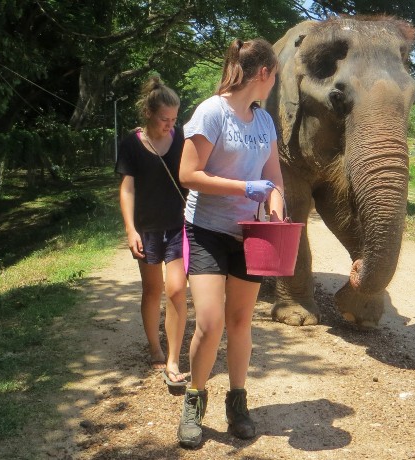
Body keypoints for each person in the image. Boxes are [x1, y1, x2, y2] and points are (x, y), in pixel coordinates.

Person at [175, 38, 284, 448]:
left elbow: (274, 179)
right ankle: (194, 400)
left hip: (250, 235)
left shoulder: (264, 122)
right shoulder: (212, 112)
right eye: (274, 76)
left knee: (241, 322)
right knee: (209, 320)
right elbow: (188, 174)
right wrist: (245, 186)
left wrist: (276, 206)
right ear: (263, 74)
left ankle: (237, 401)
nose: (273, 83)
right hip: (206, 229)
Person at [115, 76, 190, 389]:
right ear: (148, 113)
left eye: (174, 119)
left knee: (176, 290)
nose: (169, 126)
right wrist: (130, 229)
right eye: (164, 119)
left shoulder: (181, 137)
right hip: (146, 228)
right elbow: (127, 188)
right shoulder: (131, 144)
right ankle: (154, 347)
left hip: (177, 226)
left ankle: (173, 358)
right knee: (153, 290)